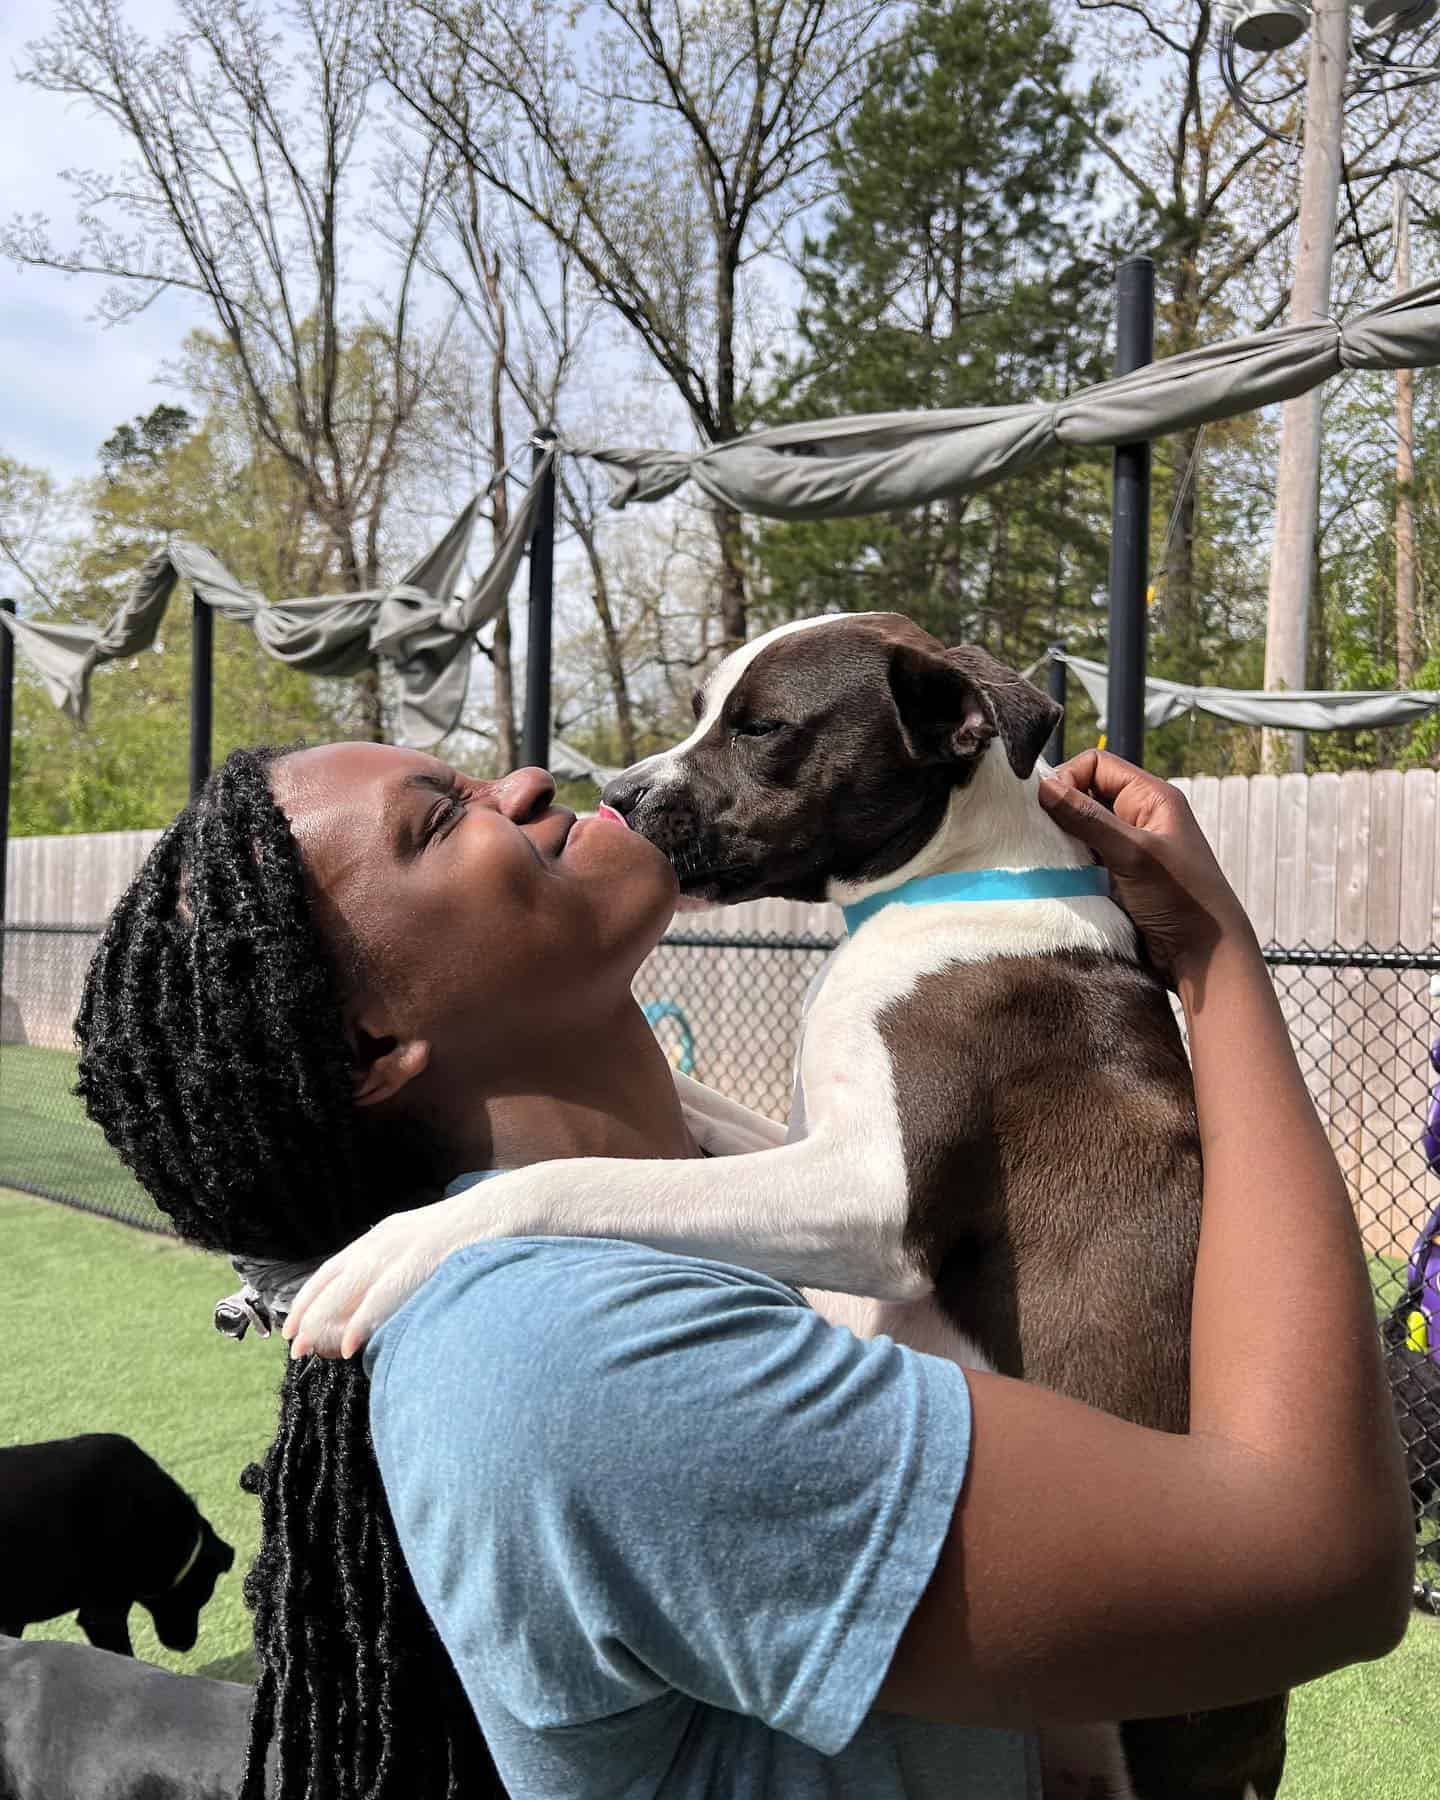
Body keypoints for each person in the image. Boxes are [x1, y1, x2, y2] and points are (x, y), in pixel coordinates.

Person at [73, 740, 1412, 1800]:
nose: (527, 782)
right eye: (445, 817)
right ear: (372, 1044)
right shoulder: (553, 1353)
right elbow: (1321, 1561)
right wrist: (1217, 964)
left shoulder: (652, 1242)